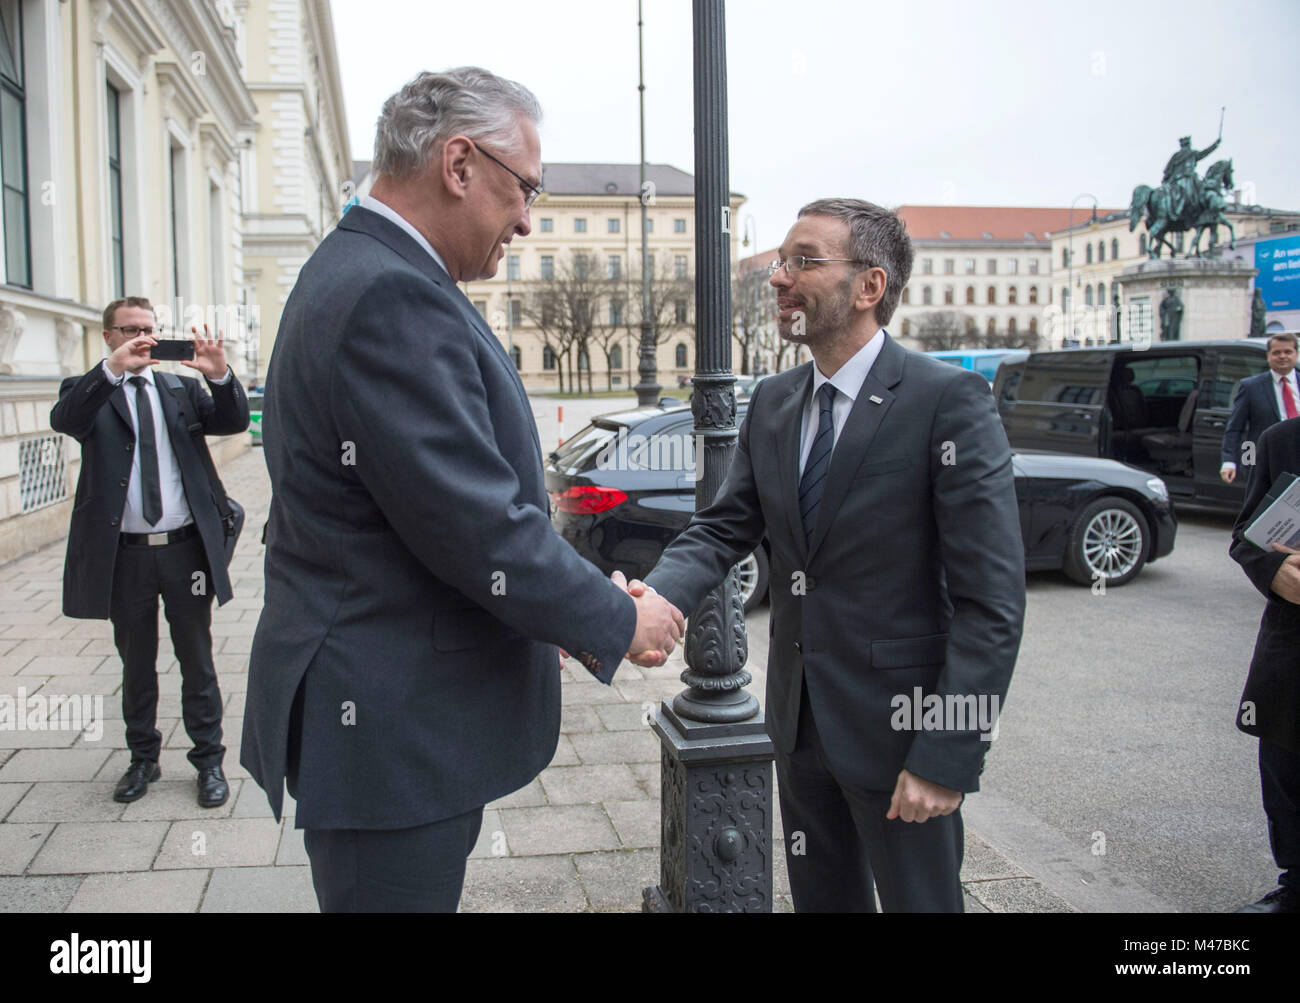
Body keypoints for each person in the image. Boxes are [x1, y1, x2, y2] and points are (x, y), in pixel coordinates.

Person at [240, 67, 683, 913]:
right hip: (390, 733)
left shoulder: (373, 269)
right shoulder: (390, 293)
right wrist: (621, 619)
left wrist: (550, 604)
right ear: (458, 163)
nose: (525, 218)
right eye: (524, 190)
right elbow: (479, 526)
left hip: (390, 717)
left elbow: (425, 515)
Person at [635, 199, 1026, 912]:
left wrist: (948, 752)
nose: (780, 278)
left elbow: (991, 601)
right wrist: (659, 597)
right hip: (800, 724)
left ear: (869, 287)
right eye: (781, 261)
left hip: (902, 736)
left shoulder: (948, 401)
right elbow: (725, 527)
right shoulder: (777, 401)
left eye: (804, 261)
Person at [49, 297, 249, 807]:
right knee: (135, 662)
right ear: (109, 336)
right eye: (131, 329)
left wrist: (220, 374)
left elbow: (232, 423)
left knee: (197, 659)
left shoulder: (179, 388)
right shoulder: (89, 391)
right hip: (127, 556)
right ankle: (143, 760)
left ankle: (209, 762)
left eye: (151, 329)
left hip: (184, 551)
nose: (144, 338)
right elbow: (65, 420)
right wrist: (112, 372)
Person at [1228, 415, 1300, 912]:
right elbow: (1246, 539)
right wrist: (1274, 571)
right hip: (1293, 649)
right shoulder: (1283, 442)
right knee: (1286, 773)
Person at [1221, 333, 1299, 484]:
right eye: (1276, 352)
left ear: (1296, 354)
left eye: (1288, 352)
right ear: (1268, 355)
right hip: (1266, 462)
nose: (1282, 356)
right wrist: (1230, 461)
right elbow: (1235, 428)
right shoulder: (1250, 387)